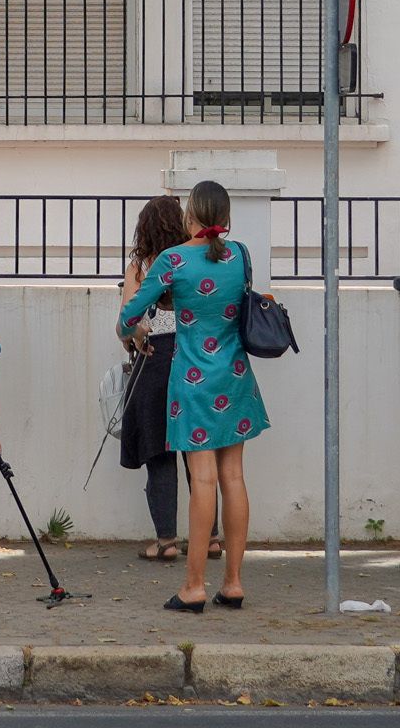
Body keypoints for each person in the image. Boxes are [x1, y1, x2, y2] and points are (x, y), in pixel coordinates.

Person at [116, 179, 269, 613]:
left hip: (194, 382)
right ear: (226, 218)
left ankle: (194, 586)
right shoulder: (241, 256)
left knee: (202, 481)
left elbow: (129, 314)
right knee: (234, 478)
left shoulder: (173, 259)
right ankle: (234, 584)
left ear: (191, 217)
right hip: (236, 377)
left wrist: (138, 329)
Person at [118, 195, 217, 563]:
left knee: (160, 454)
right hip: (194, 358)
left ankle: (167, 541)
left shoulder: (143, 265)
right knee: (198, 452)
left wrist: (136, 334)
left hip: (156, 360)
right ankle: (210, 539)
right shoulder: (194, 258)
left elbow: (130, 323)